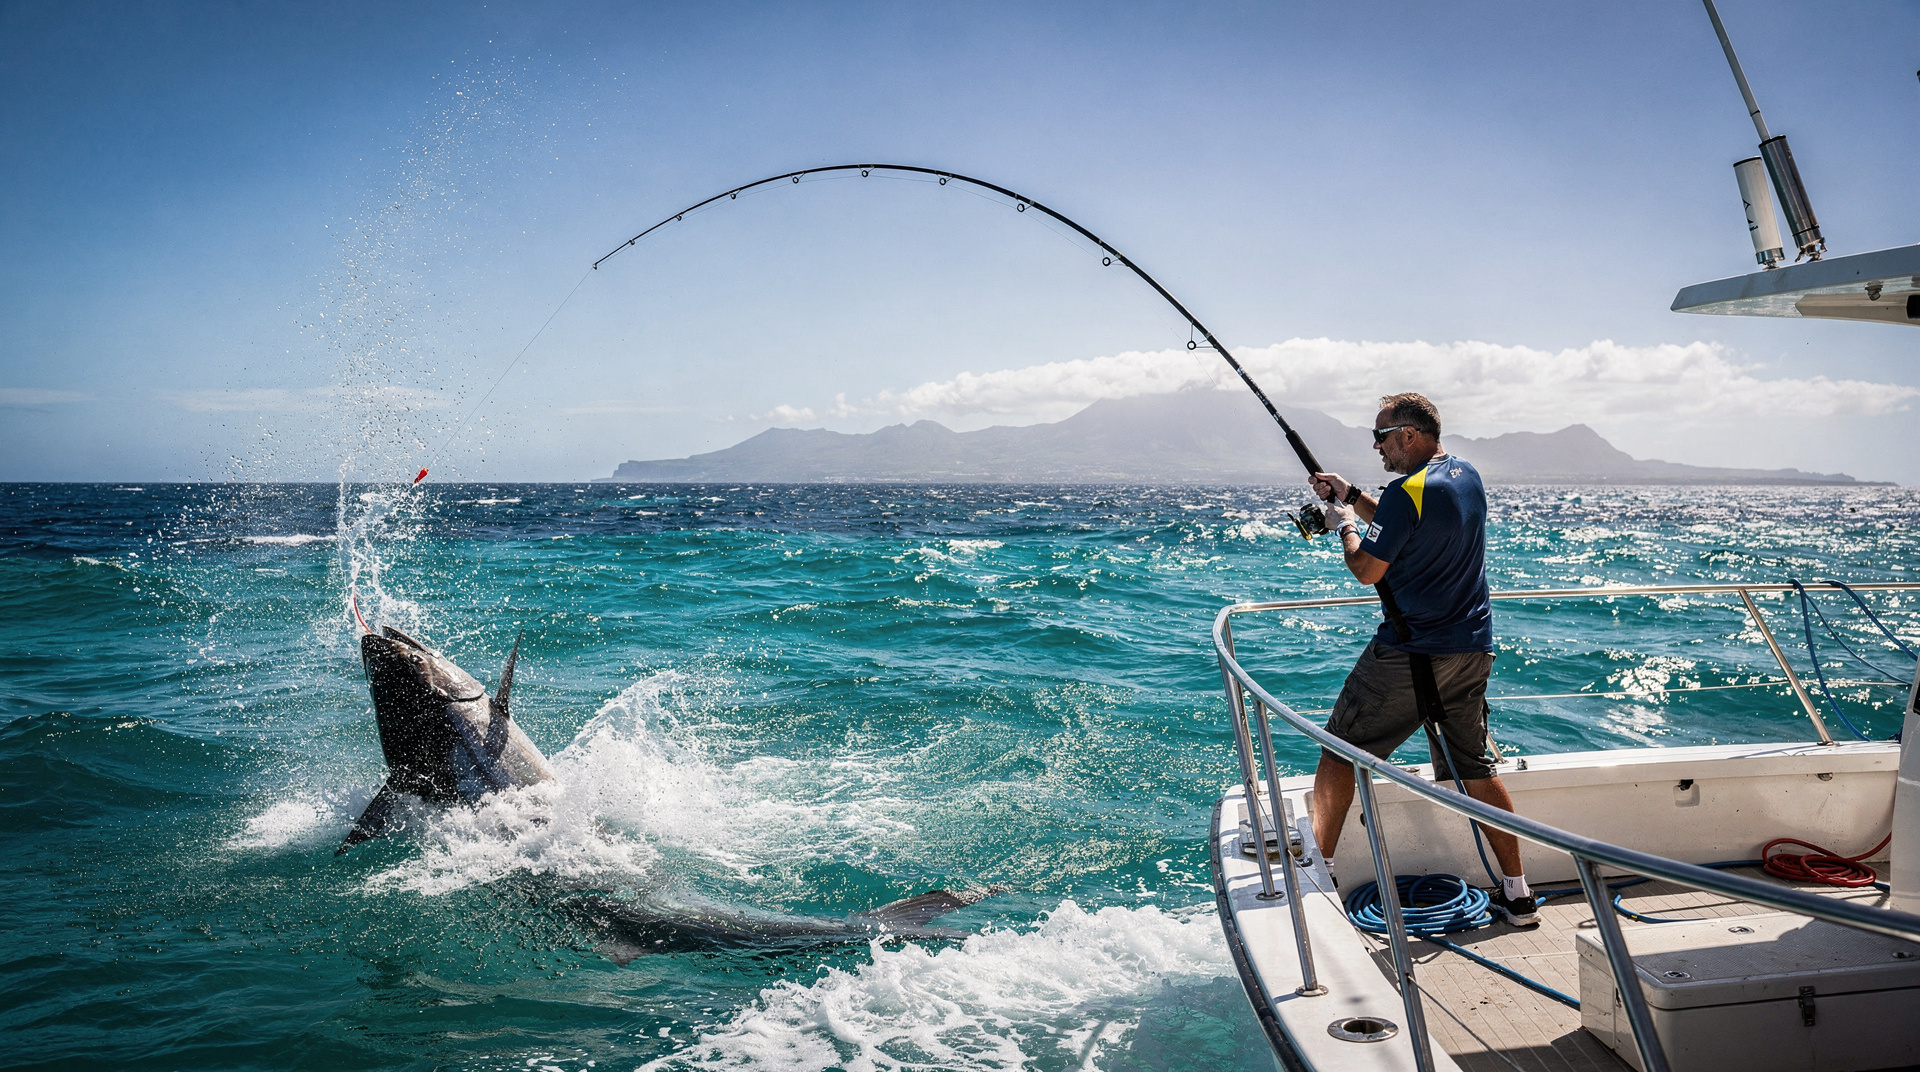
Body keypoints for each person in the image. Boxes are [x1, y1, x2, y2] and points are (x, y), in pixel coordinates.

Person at [1308, 392, 1537, 926]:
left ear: (1409, 435)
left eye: (1381, 436)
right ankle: (1518, 893)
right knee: (1472, 765)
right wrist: (1353, 495)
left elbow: (1367, 567)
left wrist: (1343, 522)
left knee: (1339, 750)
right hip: (1471, 648)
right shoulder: (1464, 477)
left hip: (1411, 654)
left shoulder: (1405, 491)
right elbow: (1401, 520)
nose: (1376, 446)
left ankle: (1317, 874)